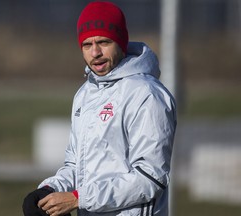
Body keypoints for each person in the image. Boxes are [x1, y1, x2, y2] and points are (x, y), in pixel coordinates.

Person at [23, 1, 177, 216]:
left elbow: (150, 178)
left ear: (121, 44)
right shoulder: (85, 93)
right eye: (87, 45)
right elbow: (76, 165)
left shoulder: (146, 94)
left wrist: (78, 199)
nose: (95, 52)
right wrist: (49, 191)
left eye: (103, 42)